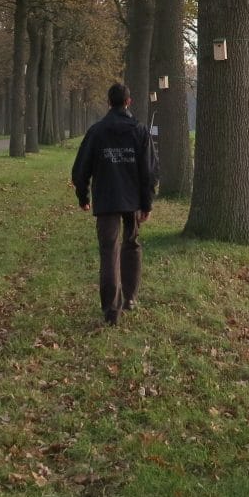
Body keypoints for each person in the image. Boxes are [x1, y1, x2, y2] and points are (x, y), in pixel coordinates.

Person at [71, 83, 155, 325]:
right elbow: (149, 172)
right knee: (131, 245)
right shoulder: (140, 131)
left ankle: (111, 311)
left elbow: (81, 168)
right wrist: (146, 204)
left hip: (106, 198)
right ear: (128, 102)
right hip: (132, 201)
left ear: (109, 103)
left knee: (109, 252)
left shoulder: (97, 132)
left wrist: (83, 197)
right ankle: (130, 298)